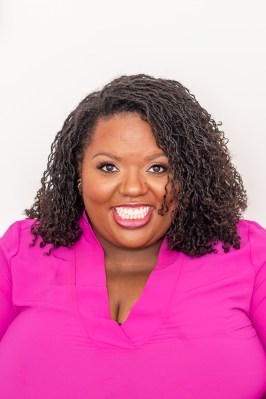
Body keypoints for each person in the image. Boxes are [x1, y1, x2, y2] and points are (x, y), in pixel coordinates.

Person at [0, 74, 265, 399]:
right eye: (109, 167)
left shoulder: (250, 253)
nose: (133, 188)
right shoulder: (20, 251)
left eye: (158, 168)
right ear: (78, 174)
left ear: (189, 177)